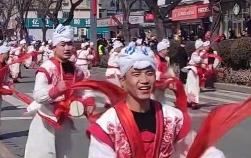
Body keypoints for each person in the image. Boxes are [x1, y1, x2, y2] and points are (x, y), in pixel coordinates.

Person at [86, 44, 225, 157]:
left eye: (149, 73)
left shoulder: (173, 118)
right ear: (123, 81)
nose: (144, 80)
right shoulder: (107, 125)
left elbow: (201, 149)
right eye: (136, 74)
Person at [24, 24, 95, 158]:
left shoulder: (76, 69)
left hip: (64, 117)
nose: (67, 48)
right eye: (63, 44)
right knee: (42, 153)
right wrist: (55, 91)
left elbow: (84, 89)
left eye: (69, 44)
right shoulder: (47, 68)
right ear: (54, 47)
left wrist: (89, 101)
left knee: (64, 152)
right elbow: (38, 95)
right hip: (46, 116)